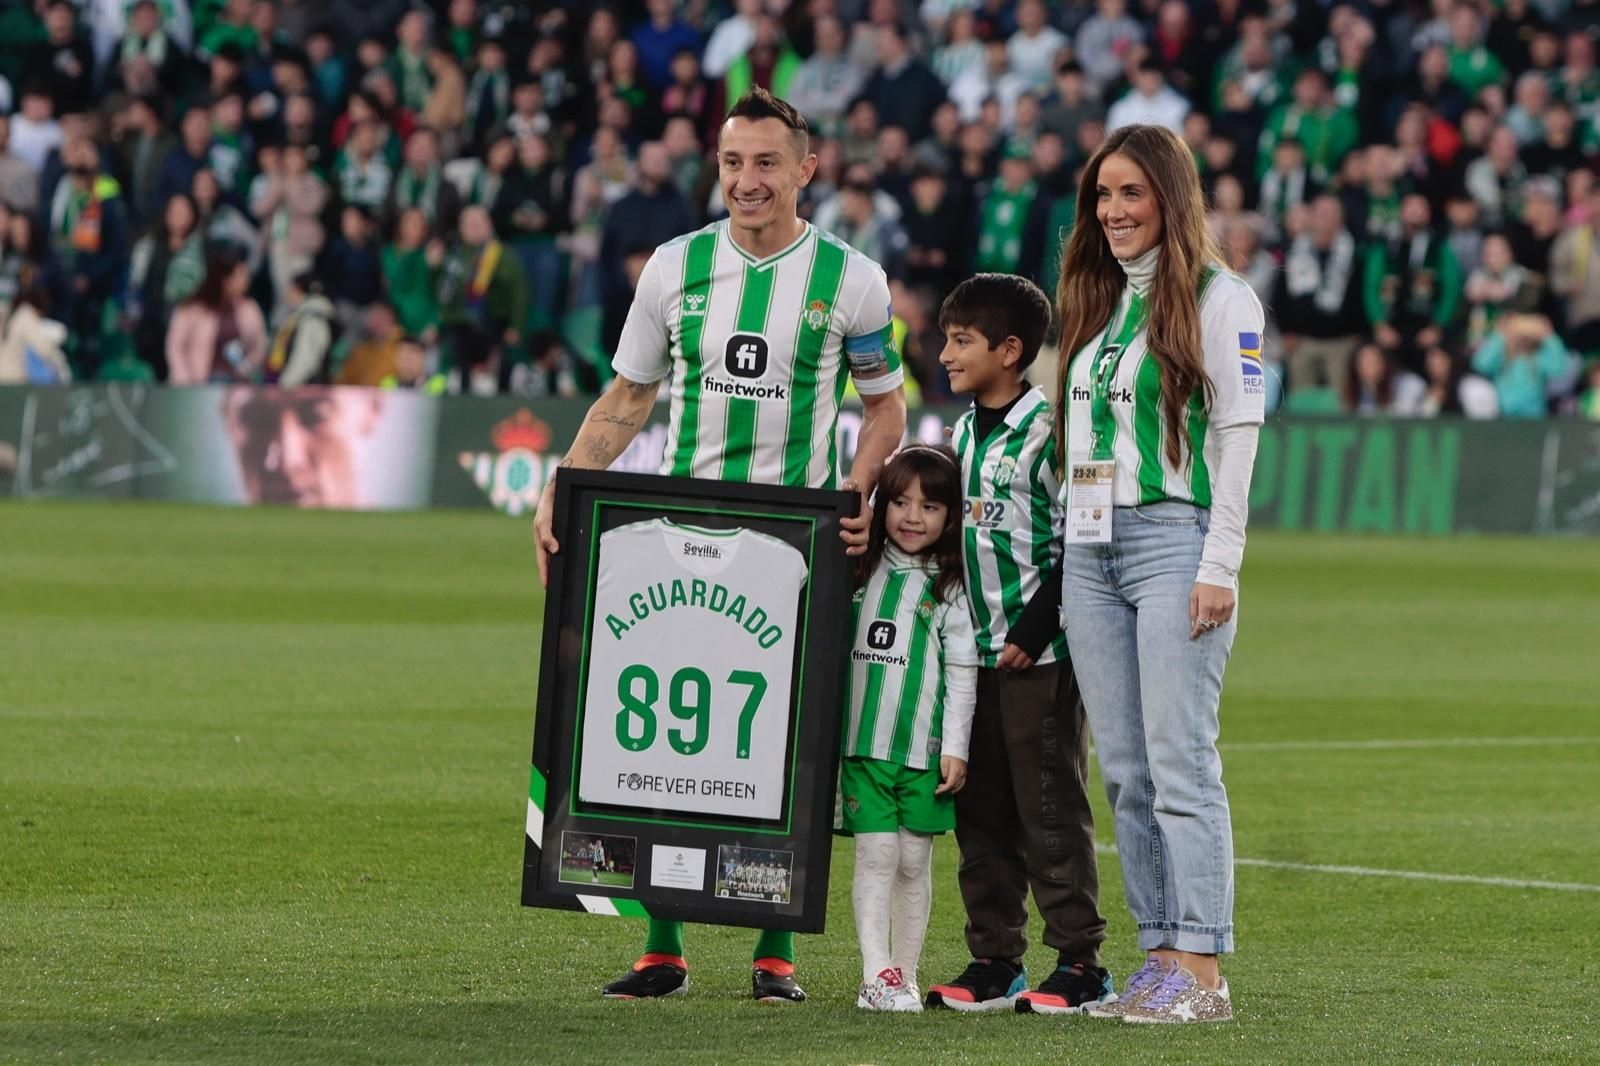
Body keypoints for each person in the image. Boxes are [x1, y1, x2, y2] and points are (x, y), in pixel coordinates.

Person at [534, 88, 907, 1004]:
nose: (748, 180)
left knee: (785, 744)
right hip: (675, 538)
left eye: (767, 162)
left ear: (807, 170)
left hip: (794, 544)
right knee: (674, 733)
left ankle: (775, 954)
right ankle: (663, 945)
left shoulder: (852, 280)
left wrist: (856, 492)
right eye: (734, 162)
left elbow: (885, 408)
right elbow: (627, 400)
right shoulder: (672, 267)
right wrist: (560, 480)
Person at [1052, 124, 1266, 1023]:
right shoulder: (1095, 302)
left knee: (1180, 762)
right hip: (1090, 551)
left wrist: (1221, 563)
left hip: (1175, 542)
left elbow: (1237, 435)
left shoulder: (1226, 300)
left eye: (1132, 194)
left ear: (1171, 199)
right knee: (1127, 773)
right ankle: (1159, 961)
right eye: (1103, 196)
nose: (1113, 212)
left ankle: (1204, 974)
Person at [925, 274, 1107, 1015]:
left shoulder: (1061, 428)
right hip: (972, 661)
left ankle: (1081, 963)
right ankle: (994, 958)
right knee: (982, 812)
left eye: (961, 341)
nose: (944, 354)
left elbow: (1091, 538)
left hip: (1041, 659)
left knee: (1048, 808)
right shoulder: (959, 433)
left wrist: (1037, 629)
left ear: (1011, 350)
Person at [841, 445, 976, 1013]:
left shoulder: (948, 589)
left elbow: (963, 670)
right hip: (864, 752)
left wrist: (958, 748)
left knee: (914, 861)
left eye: (929, 506)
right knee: (875, 856)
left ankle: (906, 974)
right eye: (899, 502)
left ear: (950, 517)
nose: (912, 517)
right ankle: (877, 973)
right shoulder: (858, 570)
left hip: (924, 753)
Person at [166, 250, 268, 384]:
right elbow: (175, 347)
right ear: (224, 280)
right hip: (197, 383)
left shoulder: (249, 309)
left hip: (236, 384)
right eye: (240, 275)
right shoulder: (191, 309)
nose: (246, 280)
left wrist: (246, 369)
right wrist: (186, 381)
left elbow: (259, 346)